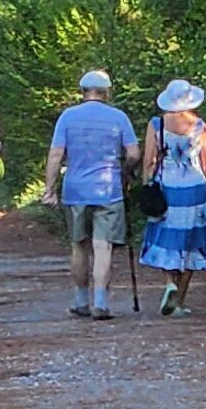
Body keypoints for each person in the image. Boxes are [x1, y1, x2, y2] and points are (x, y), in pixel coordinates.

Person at [45, 67, 140, 321]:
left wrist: (49, 189)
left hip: (75, 190)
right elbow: (133, 154)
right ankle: (100, 302)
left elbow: (56, 154)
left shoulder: (67, 117)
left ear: (83, 91)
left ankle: (79, 300)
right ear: (106, 92)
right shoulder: (119, 117)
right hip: (108, 190)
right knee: (103, 247)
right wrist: (126, 172)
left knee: (79, 246)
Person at [138, 79, 206, 314]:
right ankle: (179, 302)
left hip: (167, 190)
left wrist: (147, 188)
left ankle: (169, 283)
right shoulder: (200, 127)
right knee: (192, 243)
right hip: (195, 190)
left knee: (166, 239)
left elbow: (149, 162)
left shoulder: (157, 125)